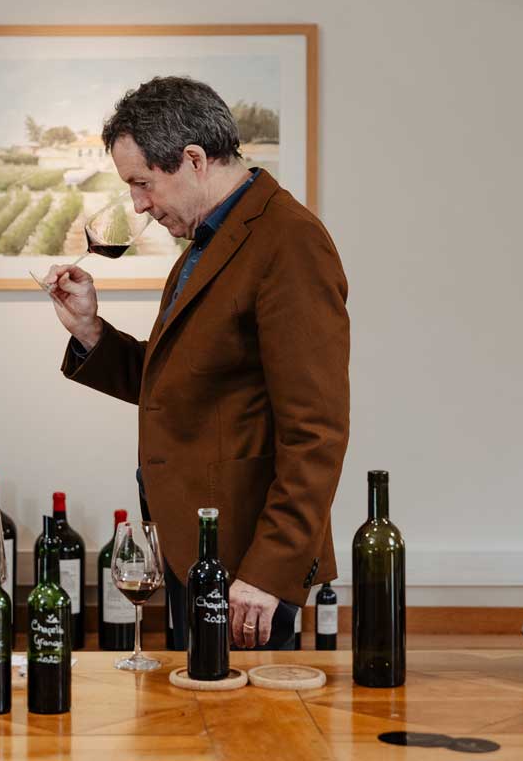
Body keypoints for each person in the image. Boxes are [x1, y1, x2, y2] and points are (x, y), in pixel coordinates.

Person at [43, 76, 349, 651]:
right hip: (197, 547)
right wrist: (88, 330)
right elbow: (179, 385)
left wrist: (268, 570)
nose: (136, 203)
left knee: (249, 736)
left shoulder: (289, 240)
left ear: (193, 159)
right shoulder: (211, 241)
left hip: (245, 562)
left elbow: (317, 431)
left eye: (141, 183)